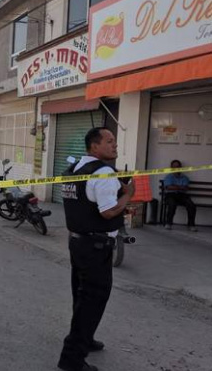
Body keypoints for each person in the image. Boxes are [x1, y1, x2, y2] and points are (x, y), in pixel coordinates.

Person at [58, 127, 135, 371]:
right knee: (92, 300)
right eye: (109, 141)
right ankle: (72, 358)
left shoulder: (75, 168)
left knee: (81, 296)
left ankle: (86, 338)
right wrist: (128, 195)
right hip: (95, 246)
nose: (115, 145)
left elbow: (88, 202)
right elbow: (108, 211)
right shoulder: (103, 172)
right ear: (95, 146)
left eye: (115, 141)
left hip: (78, 242)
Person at [164, 160, 197, 231]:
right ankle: (168, 223)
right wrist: (180, 187)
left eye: (178, 166)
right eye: (174, 166)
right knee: (172, 204)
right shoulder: (169, 177)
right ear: (171, 168)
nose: (176, 168)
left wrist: (174, 186)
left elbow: (185, 188)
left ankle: (191, 225)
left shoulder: (184, 177)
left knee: (191, 205)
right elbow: (168, 187)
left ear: (180, 167)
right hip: (170, 195)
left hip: (182, 195)